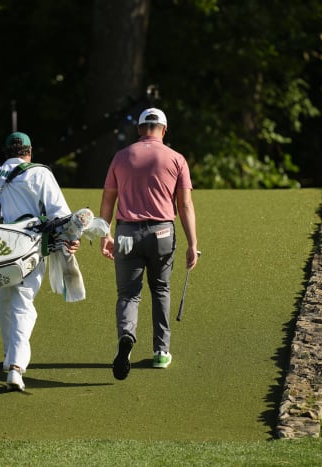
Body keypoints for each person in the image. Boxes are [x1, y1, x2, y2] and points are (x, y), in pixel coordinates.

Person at [0, 131, 80, 391]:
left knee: (7, 300)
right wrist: (70, 238)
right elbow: (62, 214)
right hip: (29, 247)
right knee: (23, 303)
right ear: (29, 152)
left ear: (5, 152)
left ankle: (8, 357)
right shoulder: (39, 173)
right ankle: (16, 367)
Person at [99, 107, 198, 380]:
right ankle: (160, 352)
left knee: (128, 294)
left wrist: (104, 233)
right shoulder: (176, 159)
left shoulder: (121, 157)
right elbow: (185, 204)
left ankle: (127, 338)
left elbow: (109, 198)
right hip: (162, 234)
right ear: (164, 130)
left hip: (127, 233)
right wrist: (192, 243)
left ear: (140, 129)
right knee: (161, 289)